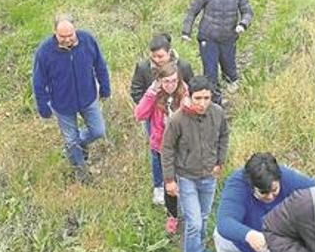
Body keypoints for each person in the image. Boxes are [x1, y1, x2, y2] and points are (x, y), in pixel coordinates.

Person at [161, 75, 229, 252]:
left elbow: (224, 135)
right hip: (186, 176)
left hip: (209, 175)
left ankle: (200, 251)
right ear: (189, 96)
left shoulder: (217, 113)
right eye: (198, 98)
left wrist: (219, 161)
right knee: (194, 222)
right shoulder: (178, 119)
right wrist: (169, 180)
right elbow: (167, 149)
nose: (202, 103)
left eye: (206, 98)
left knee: (205, 216)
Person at [32, 15, 111, 184]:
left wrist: (105, 87)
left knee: (98, 131)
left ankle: (78, 143)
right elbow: (38, 82)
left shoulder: (87, 40)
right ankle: (81, 172)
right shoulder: (44, 52)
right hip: (62, 103)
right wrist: (43, 107)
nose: (67, 39)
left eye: (70, 35)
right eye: (62, 37)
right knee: (70, 140)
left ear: (75, 30)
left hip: (88, 97)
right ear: (55, 33)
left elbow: (100, 64)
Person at [130, 33, 194, 206]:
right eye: (154, 56)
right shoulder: (144, 67)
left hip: (179, 120)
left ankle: (180, 183)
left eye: (161, 56)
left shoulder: (183, 66)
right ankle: (159, 186)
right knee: (157, 152)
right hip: (155, 118)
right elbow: (136, 91)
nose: (157, 60)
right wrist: (149, 104)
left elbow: (192, 88)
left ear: (169, 53)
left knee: (180, 153)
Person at [181, 0, 253, 98]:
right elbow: (192, 12)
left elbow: (247, 11)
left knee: (229, 69)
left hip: (229, 37)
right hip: (208, 37)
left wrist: (243, 24)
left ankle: (232, 93)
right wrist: (186, 32)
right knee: (210, 72)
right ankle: (214, 100)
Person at [133, 62, 188, 234]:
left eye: (174, 81)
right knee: (169, 183)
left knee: (185, 179)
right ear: (159, 81)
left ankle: (188, 209)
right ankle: (172, 215)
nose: (171, 85)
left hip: (183, 147)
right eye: (166, 82)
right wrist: (150, 94)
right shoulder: (155, 96)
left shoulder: (184, 93)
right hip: (162, 147)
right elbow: (139, 114)